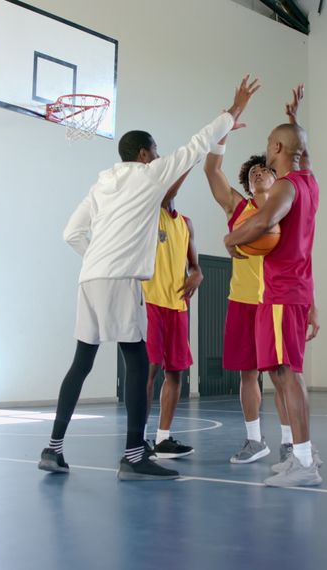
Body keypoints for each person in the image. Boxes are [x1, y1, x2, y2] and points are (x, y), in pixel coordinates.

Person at [39, 76, 260, 481]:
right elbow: (196, 146)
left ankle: (53, 449)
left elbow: (71, 233)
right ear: (144, 154)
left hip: (89, 279)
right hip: (122, 278)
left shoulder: (100, 185)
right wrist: (233, 111)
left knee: (81, 363)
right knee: (138, 362)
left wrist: (97, 260)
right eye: (155, 151)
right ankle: (134, 456)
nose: (159, 156)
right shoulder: (149, 175)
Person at [224, 85, 321, 487]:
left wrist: (230, 239)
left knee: (287, 375)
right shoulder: (309, 180)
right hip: (291, 291)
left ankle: (304, 461)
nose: (266, 148)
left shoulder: (285, 187)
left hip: (281, 292)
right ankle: (300, 454)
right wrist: (296, 122)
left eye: (269, 142)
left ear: (277, 146)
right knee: (283, 376)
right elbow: (305, 152)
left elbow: (264, 222)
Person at [203, 139, 297, 465]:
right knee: (248, 374)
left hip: (274, 301)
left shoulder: (285, 212)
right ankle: (255, 441)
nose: (259, 174)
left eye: (265, 171)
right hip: (242, 301)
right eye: (254, 172)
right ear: (248, 181)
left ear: (276, 179)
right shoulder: (237, 208)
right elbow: (211, 169)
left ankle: (288, 442)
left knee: (280, 373)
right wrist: (223, 130)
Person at [142, 170, 200, 459]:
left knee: (175, 373)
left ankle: (163, 439)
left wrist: (197, 275)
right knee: (147, 372)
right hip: (150, 302)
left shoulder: (186, 224)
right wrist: (191, 158)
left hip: (178, 306)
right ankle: (137, 439)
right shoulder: (149, 214)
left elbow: (195, 266)